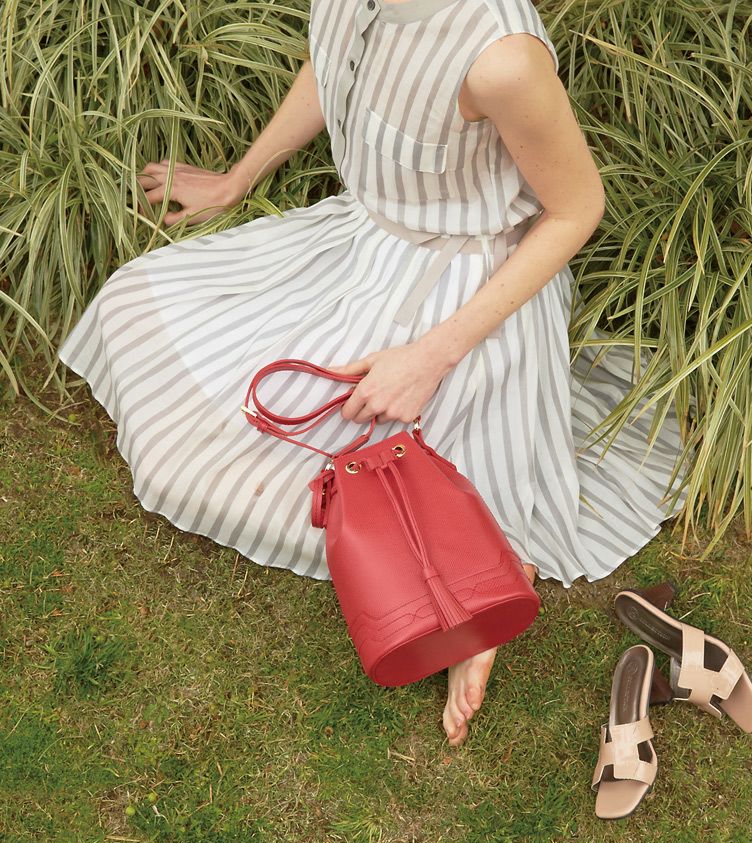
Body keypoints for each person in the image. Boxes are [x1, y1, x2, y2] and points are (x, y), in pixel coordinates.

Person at [58, 0, 688, 749]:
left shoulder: (502, 57)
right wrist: (238, 178)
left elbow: (577, 209)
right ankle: (467, 569)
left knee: (335, 480)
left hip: (464, 290)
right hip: (360, 246)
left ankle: (478, 578)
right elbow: (329, 66)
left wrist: (430, 357)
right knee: (130, 305)